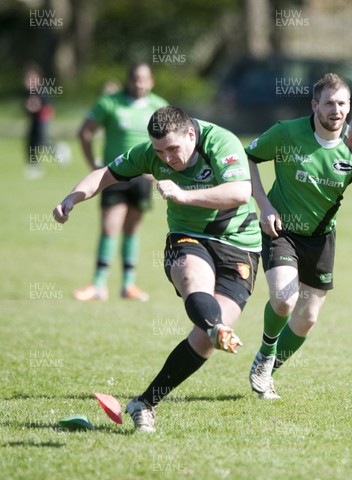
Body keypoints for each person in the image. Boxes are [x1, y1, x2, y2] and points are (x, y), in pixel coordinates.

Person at [53, 106, 262, 432]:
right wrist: (71, 198)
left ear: (191, 135)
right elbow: (106, 174)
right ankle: (213, 326)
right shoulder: (150, 153)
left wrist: (182, 194)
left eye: (173, 149)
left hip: (241, 244)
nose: (166, 158)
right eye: (159, 151)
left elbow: (239, 192)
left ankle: (144, 402)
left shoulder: (221, 142)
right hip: (188, 238)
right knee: (196, 284)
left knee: (205, 340)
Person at [246, 73, 352, 399]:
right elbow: (247, 158)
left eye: (342, 103)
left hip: (321, 237)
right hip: (280, 229)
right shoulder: (286, 132)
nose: (335, 110)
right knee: (284, 299)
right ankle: (266, 354)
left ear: (349, 107)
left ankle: (267, 368)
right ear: (315, 105)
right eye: (328, 103)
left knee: (307, 318)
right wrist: (264, 205)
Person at [73, 63, 168, 302]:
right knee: (110, 226)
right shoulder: (110, 103)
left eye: (143, 79)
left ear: (151, 81)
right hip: (115, 176)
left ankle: (128, 285)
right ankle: (98, 284)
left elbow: (172, 141)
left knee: (132, 229)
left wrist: (160, 171)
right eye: (135, 79)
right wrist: (94, 164)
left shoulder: (159, 106)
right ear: (128, 80)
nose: (139, 83)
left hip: (143, 179)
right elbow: (85, 132)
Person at [23, 62, 54, 180]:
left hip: (43, 119)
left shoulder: (42, 90)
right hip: (35, 120)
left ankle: (59, 152)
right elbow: (26, 106)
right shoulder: (28, 91)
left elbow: (46, 104)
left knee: (42, 140)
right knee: (32, 141)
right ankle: (33, 165)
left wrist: (35, 107)